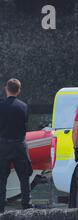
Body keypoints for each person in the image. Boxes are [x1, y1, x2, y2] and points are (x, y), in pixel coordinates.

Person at [0, 79, 33, 213]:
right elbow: (24, 125)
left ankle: (1, 208)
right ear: (18, 91)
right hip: (20, 144)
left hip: (3, 145)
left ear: (6, 89)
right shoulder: (24, 106)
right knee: (24, 177)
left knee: (1, 179)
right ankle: (27, 205)